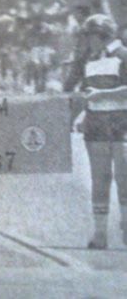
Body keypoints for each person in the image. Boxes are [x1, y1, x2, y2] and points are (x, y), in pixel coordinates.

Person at [66, 14, 127, 249]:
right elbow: (78, 92)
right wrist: (69, 118)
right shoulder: (86, 60)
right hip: (96, 126)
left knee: (124, 179)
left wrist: (103, 95)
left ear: (101, 35)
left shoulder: (123, 56)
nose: (87, 42)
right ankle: (100, 234)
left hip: (122, 126)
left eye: (89, 37)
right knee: (100, 179)